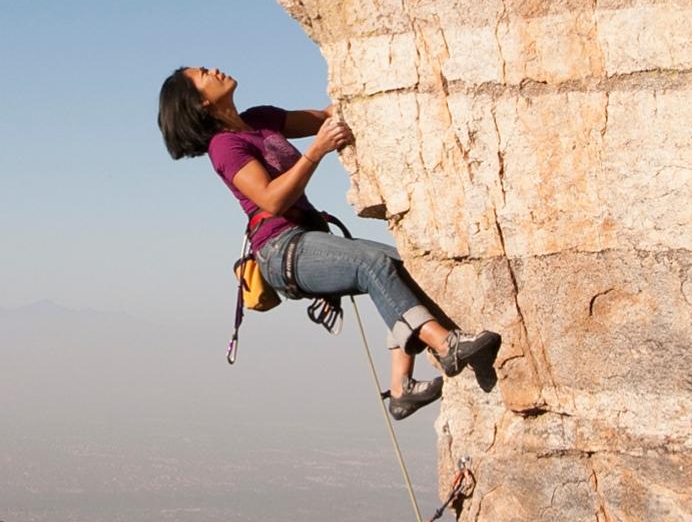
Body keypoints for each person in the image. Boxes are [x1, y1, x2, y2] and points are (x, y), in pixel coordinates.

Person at [157, 66, 500, 420]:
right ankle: (446, 346)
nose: (213, 69)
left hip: (306, 238)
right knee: (372, 264)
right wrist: (315, 152)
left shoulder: (260, 119)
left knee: (402, 265)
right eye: (202, 73)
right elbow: (271, 200)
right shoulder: (225, 146)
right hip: (280, 250)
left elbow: (323, 117)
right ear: (199, 101)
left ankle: (401, 389)